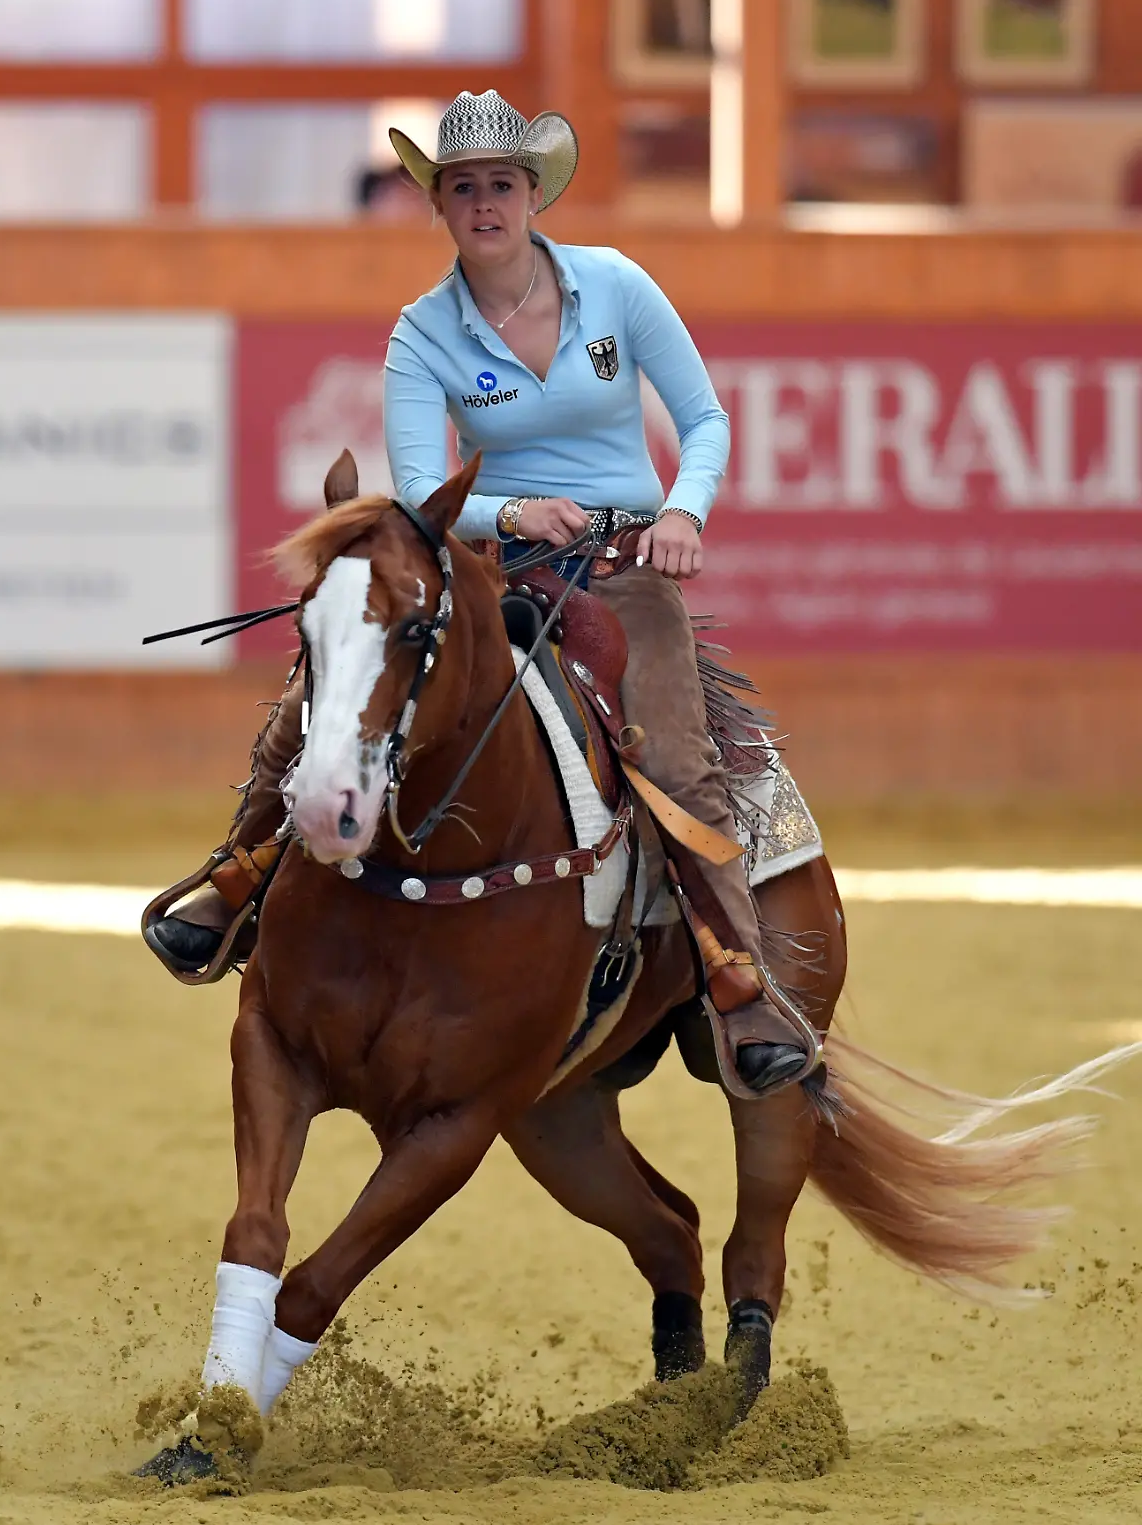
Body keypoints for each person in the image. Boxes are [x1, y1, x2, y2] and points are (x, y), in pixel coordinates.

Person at [146, 90, 808, 1095]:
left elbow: (705, 419)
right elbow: (419, 492)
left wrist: (685, 513)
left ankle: (738, 982)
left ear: (533, 193)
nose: (484, 203)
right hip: (489, 566)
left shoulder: (619, 286)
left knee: (676, 750)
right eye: (463, 188)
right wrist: (510, 515)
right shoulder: (421, 333)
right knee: (331, 687)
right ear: (439, 205)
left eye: (501, 184)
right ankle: (236, 875)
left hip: (624, 571)